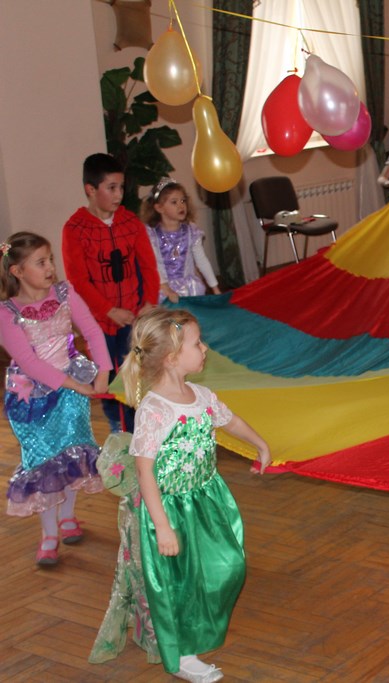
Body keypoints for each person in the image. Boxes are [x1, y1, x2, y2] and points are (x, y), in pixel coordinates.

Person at [113, 307, 271, 681]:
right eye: (198, 343)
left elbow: (229, 420)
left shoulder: (200, 395)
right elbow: (145, 471)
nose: (205, 349)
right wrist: (162, 526)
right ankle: (183, 654)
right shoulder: (154, 409)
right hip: (170, 509)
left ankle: (198, 631)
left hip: (206, 499)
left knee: (228, 566)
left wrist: (260, 444)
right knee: (181, 582)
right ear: (171, 358)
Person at [1, 231, 113, 565]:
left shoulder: (65, 293)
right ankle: (49, 534)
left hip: (70, 395)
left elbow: (92, 331)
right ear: (18, 271)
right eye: (41, 262)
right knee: (42, 464)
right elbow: (30, 362)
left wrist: (103, 372)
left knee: (72, 456)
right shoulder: (7, 312)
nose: (51, 267)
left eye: (50, 259)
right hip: (33, 399)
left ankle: (67, 517)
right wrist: (75, 384)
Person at [63, 153, 160, 433]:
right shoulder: (75, 229)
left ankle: (142, 425)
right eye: (111, 187)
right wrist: (108, 310)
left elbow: (148, 266)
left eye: (121, 187)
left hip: (133, 316)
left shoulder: (131, 223)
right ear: (91, 190)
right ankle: (119, 428)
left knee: (135, 372)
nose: (119, 194)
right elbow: (78, 281)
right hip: (98, 323)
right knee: (108, 376)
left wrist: (149, 302)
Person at [141, 179, 221, 303]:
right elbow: (154, 265)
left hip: (190, 289)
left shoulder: (191, 231)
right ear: (159, 208)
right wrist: (166, 290)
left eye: (183, 201)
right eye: (174, 202)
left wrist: (215, 288)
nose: (181, 206)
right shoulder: (152, 235)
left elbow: (202, 260)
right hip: (163, 288)